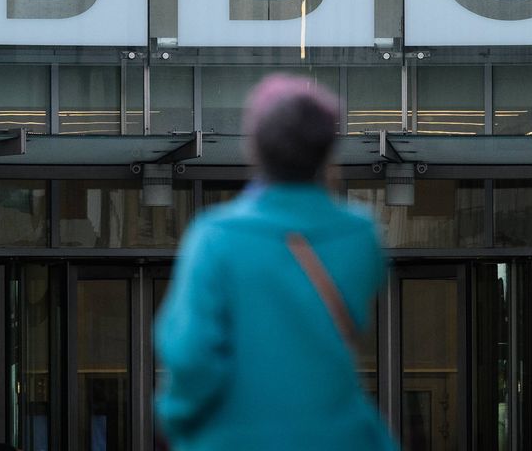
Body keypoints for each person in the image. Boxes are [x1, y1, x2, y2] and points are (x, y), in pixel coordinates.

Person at [154, 74, 397, 451]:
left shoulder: (216, 236)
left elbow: (191, 354)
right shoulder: (361, 235)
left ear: (255, 149)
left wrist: (181, 420)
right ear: (326, 151)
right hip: (338, 437)